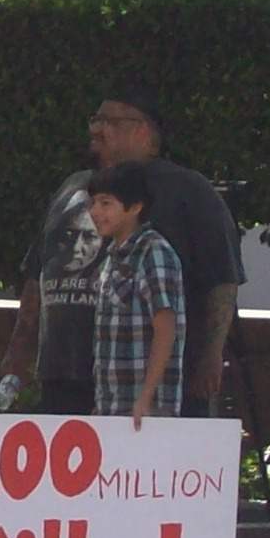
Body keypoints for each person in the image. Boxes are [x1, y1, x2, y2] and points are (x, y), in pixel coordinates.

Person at [0, 88, 242, 417]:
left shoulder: (188, 190)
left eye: (108, 121)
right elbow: (39, 271)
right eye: (94, 120)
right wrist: (20, 348)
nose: (95, 129)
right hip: (64, 375)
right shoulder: (74, 185)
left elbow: (222, 280)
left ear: (143, 130)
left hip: (139, 382)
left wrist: (212, 355)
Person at [87, 161, 184, 427]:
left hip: (146, 413)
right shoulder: (111, 258)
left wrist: (146, 398)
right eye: (93, 203)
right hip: (113, 410)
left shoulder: (154, 252)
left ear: (136, 207)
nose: (95, 212)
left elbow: (165, 328)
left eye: (106, 204)